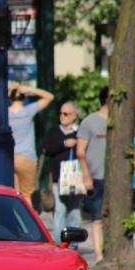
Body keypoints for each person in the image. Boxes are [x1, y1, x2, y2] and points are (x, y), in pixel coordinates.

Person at [77, 87, 109, 264]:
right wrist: (86, 175)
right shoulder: (89, 122)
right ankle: (99, 255)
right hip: (96, 176)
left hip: (113, 179)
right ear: (106, 99)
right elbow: (80, 151)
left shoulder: (121, 122)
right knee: (97, 217)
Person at [8, 83, 55, 202]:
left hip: (9, 157)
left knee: (13, 194)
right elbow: (49, 97)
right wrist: (29, 89)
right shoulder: (28, 111)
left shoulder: (5, 113)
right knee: (26, 195)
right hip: (26, 157)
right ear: (23, 96)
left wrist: (8, 88)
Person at [45, 102, 83, 243]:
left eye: (66, 114)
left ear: (75, 116)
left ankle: (73, 244)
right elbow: (46, 149)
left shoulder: (80, 132)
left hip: (76, 178)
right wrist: (64, 144)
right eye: (61, 113)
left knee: (75, 212)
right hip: (57, 178)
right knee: (60, 211)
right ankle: (59, 244)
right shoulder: (54, 132)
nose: (62, 116)